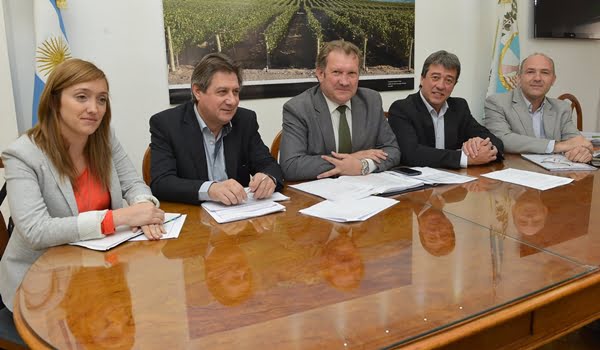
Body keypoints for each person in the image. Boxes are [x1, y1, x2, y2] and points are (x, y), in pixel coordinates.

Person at [0, 59, 164, 325]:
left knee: (151, 314)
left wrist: (143, 208)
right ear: (54, 101)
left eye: (101, 99)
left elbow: (133, 184)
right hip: (41, 284)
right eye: (81, 97)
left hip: (99, 268)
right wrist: (118, 218)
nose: (94, 109)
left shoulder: (105, 138)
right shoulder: (23, 154)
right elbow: (35, 230)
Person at [150, 53, 283, 206]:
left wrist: (268, 178)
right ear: (198, 91)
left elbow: (269, 164)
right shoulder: (167, 124)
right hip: (194, 219)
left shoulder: (245, 120)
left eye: (236, 92)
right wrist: (210, 189)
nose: (232, 101)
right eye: (222, 92)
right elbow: (162, 183)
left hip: (239, 217)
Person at [280, 40, 400, 181]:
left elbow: (392, 151)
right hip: (320, 196)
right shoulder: (298, 108)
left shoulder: (371, 100)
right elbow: (291, 166)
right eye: (336, 72)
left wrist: (363, 165)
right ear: (320, 73)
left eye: (351, 73)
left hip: (366, 192)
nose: (344, 82)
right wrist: (350, 160)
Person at [388, 50, 503, 169]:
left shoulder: (459, 107)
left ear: (454, 84)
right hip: (418, 182)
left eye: (449, 80)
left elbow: (497, 142)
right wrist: (465, 159)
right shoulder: (402, 109)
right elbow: (411, 154)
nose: (441, 86)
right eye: (435, 77)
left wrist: (481, 145)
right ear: (422, 79)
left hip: (456, 179)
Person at [484, 53, 592, 163]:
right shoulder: (497, 103)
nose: (537, 78)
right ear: (519, 78)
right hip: (517, 172)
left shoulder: (561, 108)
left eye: (545, 73)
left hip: (555, 174)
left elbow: (577, 141)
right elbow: (502, 139)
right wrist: (556, 146)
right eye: (530, 72)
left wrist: (581, 151)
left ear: (553, 80)